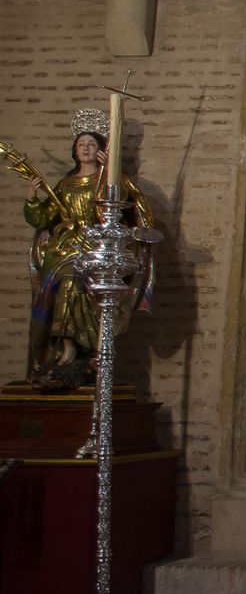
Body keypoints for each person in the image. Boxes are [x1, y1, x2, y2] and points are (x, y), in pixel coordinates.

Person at [20, 110, 154, 391]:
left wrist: (109, 173)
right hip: (64, 250)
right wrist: (32, 198)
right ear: (74, 150)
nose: (86, 148)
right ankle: (66, 351)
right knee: (63, 286)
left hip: (96, 250)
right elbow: (43, 218)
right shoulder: (66, 184)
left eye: (92, 144)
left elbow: (119, 205)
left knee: (83, 289)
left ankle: (89, 353)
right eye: (81, 144)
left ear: (102, 150)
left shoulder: (109, 181)